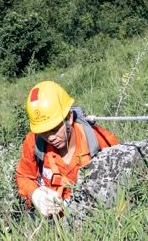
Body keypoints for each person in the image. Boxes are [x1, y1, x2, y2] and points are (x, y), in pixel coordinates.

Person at [14, 80, 119, 217]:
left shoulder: (98, 140)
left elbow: (123, 176)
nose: (50, 137)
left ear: (69, 117)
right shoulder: (34, 142)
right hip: (52, 224)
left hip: (95, 219)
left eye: (54, 129)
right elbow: (23, 176)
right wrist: (35, 194)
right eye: (43, 131)